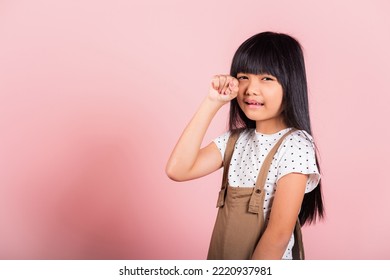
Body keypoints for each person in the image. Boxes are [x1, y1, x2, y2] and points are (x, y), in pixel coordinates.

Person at [166, 31, 324, 260]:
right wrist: (212, 102)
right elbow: (177, 169)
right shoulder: (235, 141)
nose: (251, 89)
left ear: (291, 84)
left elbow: (278, 235)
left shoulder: (295, 145)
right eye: (243, 77)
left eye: (266, 79)